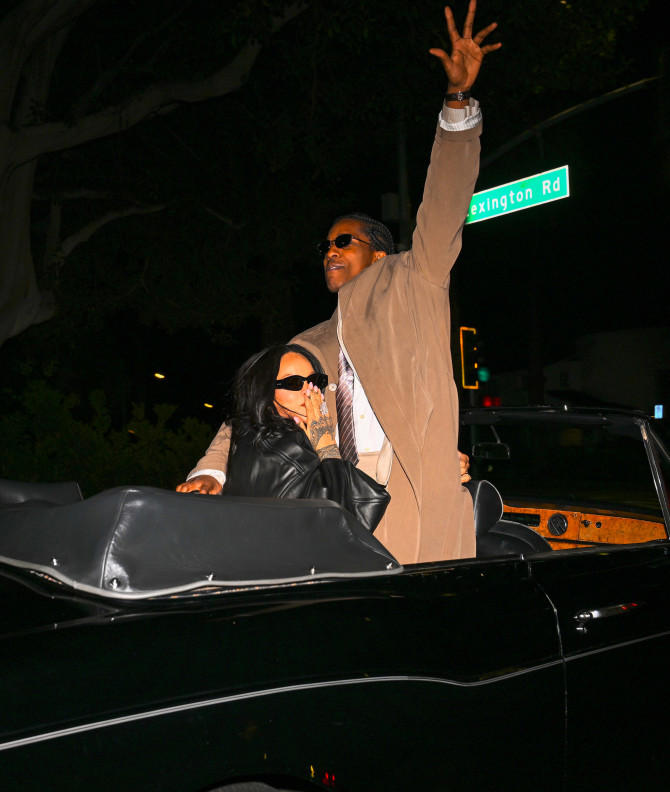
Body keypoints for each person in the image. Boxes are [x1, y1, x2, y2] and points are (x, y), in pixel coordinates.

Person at [178, 1, 500, 563]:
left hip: (409, 501)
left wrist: (456, 105)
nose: (329, 250)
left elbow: (444, 205)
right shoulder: (314, 342)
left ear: (378, 251)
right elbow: (254, 409)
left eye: (343, 240)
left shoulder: (413, 279)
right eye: (324, 244)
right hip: (340, 507)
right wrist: (211, 470)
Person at [222, 343, 389, 533]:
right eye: (293, 383)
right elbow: (344, 526)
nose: (308, 391)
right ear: (264, 391)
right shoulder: (285, 448)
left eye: (314, 381)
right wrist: (327, 446)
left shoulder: (251, 443)